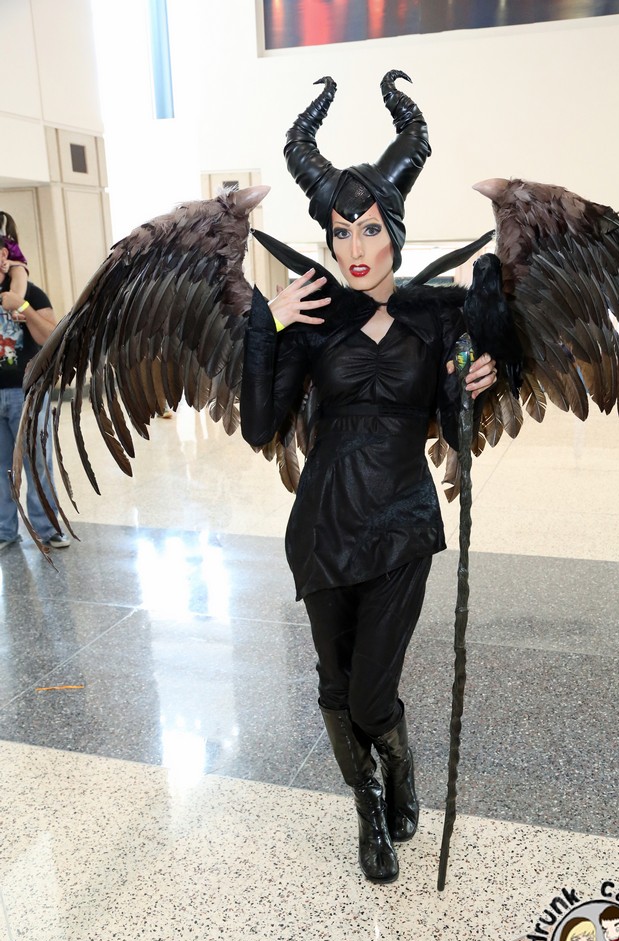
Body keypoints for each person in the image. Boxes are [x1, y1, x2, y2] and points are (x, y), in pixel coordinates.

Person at [240, 71, 498, 883]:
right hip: (323, 526)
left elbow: (452, 422)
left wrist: (470, 391)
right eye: (339, 232)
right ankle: (368, 807)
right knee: (333, 682)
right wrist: (266, 325)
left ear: (395, 231)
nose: (354, 248)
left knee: (369, 695)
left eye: (369, 229)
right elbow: (258, 425)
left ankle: (399, 760)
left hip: (402, 526)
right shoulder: (312, 317)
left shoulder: (440, 316)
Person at [0, 233, 70, 551]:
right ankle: (5, 530)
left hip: (26, 394)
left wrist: (24, 308)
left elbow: (51, 337)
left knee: (38, 462)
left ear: (5, 256)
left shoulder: (31, 292)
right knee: (1, 467)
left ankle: (47, 528)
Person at [0, 212, 29, 303]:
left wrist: (9, 263)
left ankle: (15, 302)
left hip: (11, 267)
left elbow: (22, 263)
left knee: (20, 270)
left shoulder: (9, 243)